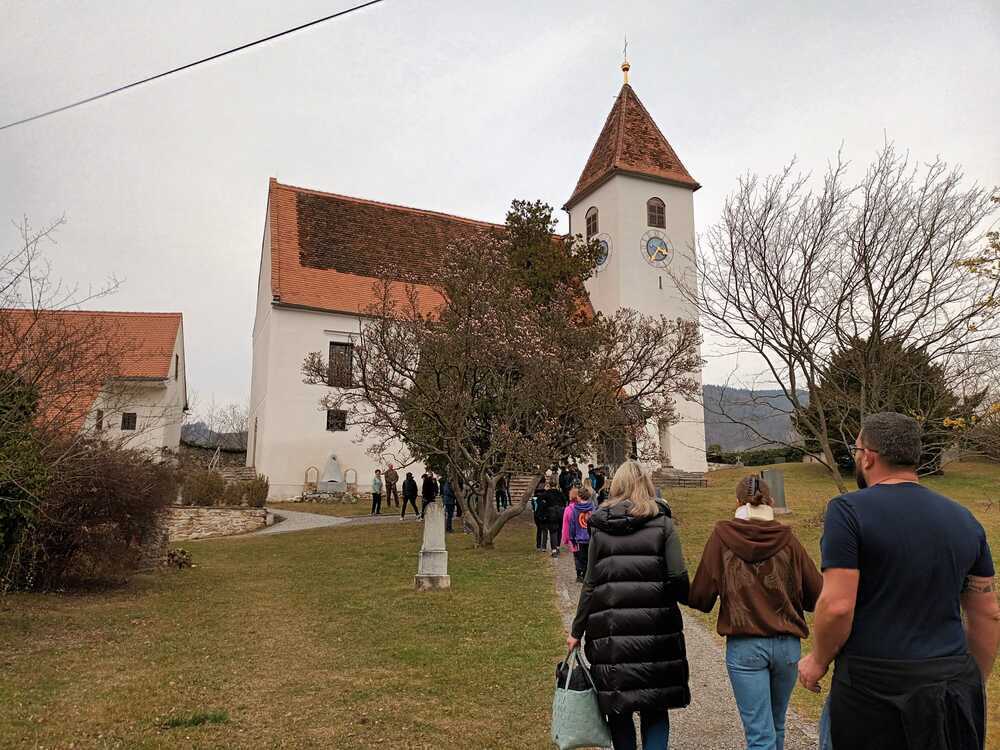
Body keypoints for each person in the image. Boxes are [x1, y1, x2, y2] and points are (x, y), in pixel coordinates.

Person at [798, 412, 999, 750]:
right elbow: (988, 613)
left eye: (856, 450)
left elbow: (837, 605)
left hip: (870, 693)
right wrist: (969, 683)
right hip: (948, 689)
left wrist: (817, 661)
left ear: (868, 456)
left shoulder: (847, 511)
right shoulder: (964, 519)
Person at [688, 476, 823, 750]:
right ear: (770, 502)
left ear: (737, 502)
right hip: (787, 646)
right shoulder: (788, 540)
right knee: (777, 725)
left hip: (745, 644)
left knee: (760, 735)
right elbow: (816, 595)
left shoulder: (721, 537)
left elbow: (701, 598)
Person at [567, 460, 690, 750]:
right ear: (646, 485)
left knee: (618, 708)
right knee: (655, 707)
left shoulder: (600, 528)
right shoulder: (662, 523)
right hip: (656, 630)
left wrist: (577, 630)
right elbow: (677, 576)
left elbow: (591, 583)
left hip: (611, 632)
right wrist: (694, 599)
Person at [567, 484, 595, 583]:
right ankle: (588, 574)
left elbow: (572, 525)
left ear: (579, 497)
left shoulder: (575, 510)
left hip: (579, 537)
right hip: (591, 537)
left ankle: (581, 574)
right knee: (590, 557)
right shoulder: (593, 508)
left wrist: (572, 537)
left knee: (580, 557)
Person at [537, 478, 565, 558]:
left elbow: (539, 500)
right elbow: (564, 502)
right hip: (560, 512)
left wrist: (545, 505)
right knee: (559, 530)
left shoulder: (546, 493)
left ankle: (554, 550)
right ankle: (558, 546)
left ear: (549, 485)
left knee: (553, 531)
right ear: (556, 485)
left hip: (551, 513)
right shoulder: (560, 493)